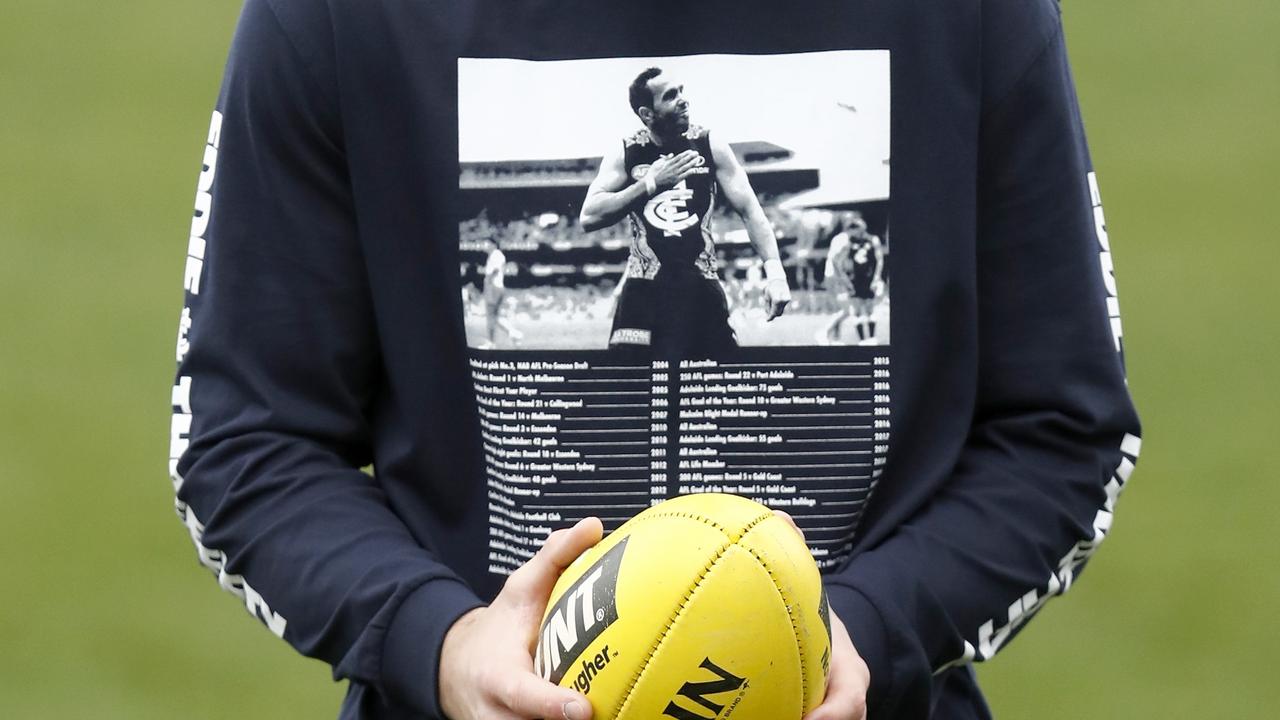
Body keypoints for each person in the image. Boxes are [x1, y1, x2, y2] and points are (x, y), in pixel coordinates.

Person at [168, 1, 1141, 719]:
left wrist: (863, 631)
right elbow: (249, 442)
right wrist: (444, 643)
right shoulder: (338, 19)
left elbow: (1058, 428)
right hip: (635, 296)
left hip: (714, 315)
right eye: (667, 94)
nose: (680, 98)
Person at [578, 67, 792, 357]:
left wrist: (776, 274)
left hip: (699, 286)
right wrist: (650, 183)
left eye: (681, 91)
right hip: (643, 289)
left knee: (716, 391)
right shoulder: (627, 151)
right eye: (669, 96)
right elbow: (589, 216)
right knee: (631, 391)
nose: (683, 100)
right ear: (647, 114)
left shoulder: (709, 143)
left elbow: (751, 212)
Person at [818, 214, 886, 345]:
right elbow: (835, 260)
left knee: (852, 309)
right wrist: (844, 279)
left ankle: (836, 338)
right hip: (843, 278)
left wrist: (876, 277)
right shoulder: (846, 240)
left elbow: (878, 260)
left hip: (858, 277)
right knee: (848, 310)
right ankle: (826, 333)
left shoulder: (868, 240)